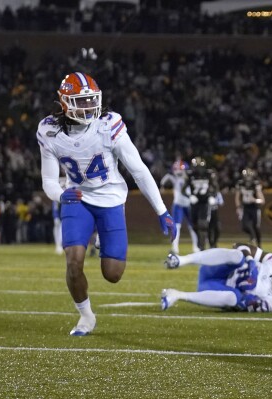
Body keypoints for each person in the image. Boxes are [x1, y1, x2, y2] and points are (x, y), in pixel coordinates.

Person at [37, 72, 176, 336]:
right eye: (81, 101)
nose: (89, 107)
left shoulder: (109, 125)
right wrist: (60, 195)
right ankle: (86, 317)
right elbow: (48, 180)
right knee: (74, 262)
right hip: (77, 198)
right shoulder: (49, 130)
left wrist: (162, 210)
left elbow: (139, 170)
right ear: (64, 102)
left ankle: (103, 234)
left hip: (111, 198)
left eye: (92, 100)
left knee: (113, 274)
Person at [161, 243, 272, 312]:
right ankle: (181, 260)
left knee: (233, 299)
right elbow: (242, 245)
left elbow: (242, 304)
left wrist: (247, 290)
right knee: (238, 256)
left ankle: (177, 294)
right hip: (215, 269)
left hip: (215, 290)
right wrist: (249, 261)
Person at [160, 159, 199, 254]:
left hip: (188, 204)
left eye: (180, 169)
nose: (178, 172)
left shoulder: (190, 178)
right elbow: (165, 179)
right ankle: (175, 247)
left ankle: (196, 247)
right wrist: (163, 185)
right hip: (178, 205)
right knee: (176, 226)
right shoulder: (173, 178)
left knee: (193, 227)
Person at [185, 157, 217, 251]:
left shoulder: (208, 174)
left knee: (202, 225)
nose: (198, 169)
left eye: (199, 167)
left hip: (204, 202)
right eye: (196, 167)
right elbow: (183, 189)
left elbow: (215, 187)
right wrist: (190, 196)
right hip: (194, 203)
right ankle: (200, 241)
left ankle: (202, 248)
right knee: (194, 225)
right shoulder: (190, 175)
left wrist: (211, 196)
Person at [235, 168, 265, 247]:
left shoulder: (255, 184)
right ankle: (253, 237)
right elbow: (237, 197)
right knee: (244, 226)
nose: (247, 178)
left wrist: (255, 200)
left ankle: (259, 244)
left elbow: (262, 200)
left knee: (256, 227)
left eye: (249, 176)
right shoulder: (240, 184)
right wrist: (238, 207)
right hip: (245, 207)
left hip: (255, 207)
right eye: (246, 176)